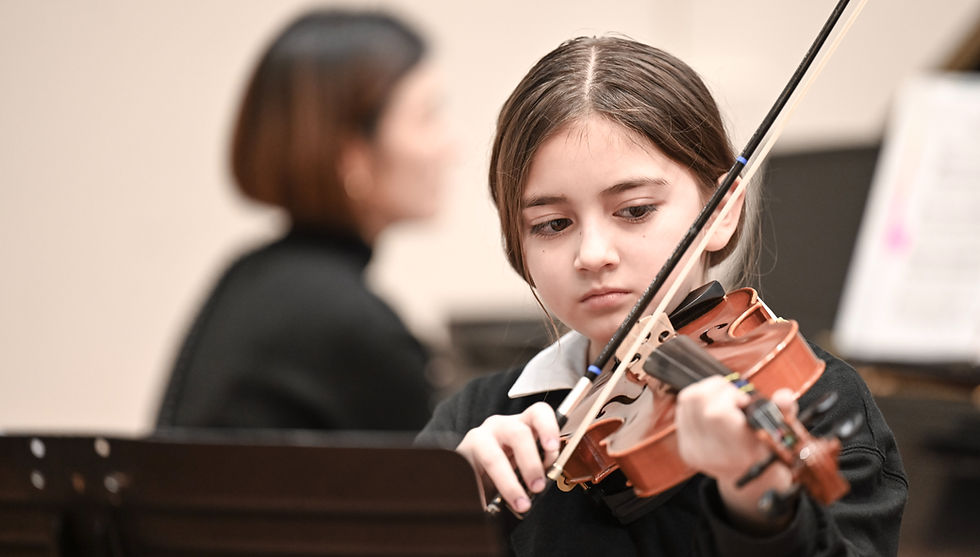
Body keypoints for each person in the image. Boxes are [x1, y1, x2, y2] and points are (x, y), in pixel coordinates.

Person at [416, 37, 907, 555]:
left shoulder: (816, 400)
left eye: (635, 210)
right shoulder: (475, 420)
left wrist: (761, 508)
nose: (593, 253)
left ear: (722, 212)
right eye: (553, 223)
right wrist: (444, 520)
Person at [156, 10, 453, 432]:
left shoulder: (251, 276)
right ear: (353, 155)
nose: (448, 147)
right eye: (427, 117)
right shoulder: (353, 326)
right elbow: (444, 490)